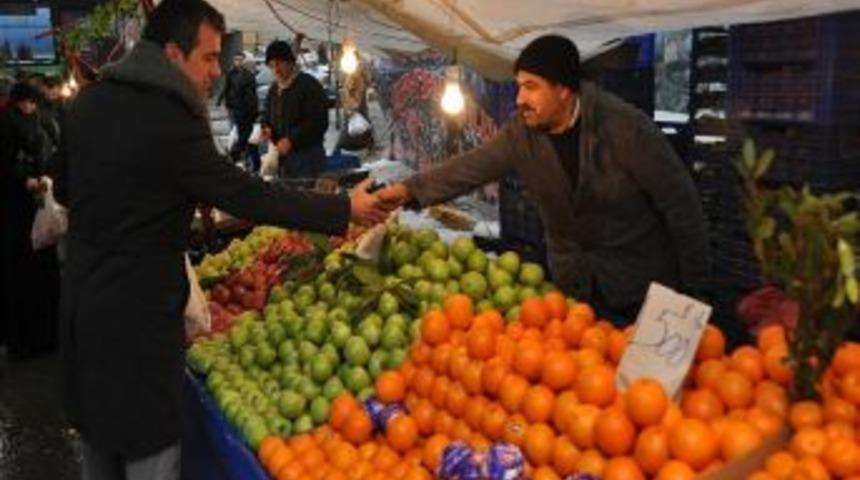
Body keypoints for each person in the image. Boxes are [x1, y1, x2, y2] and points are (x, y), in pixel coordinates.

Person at [54, 0, 388, 478]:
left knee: (98, 454)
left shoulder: (87, 102)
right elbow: (247, 195)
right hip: (141, 328)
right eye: (209, 58)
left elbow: (65, 188)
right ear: (172, 53)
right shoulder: (171, 118)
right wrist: (343, 208)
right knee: (150, 457)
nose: (217, 71)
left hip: (84, 312)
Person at [377, 35, 710, 324]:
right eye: (519, 86)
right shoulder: (523, 135)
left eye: (531, 87)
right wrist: (410, 190)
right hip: (576, 288)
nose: (520, 98)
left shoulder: (624, 128)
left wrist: (695, 295)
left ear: (563, 90)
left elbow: (682, 207)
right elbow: (472, 166)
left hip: (637, 287)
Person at [0, 82, 60, 361]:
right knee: (25, 274)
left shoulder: (39, 119)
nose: (30, 107)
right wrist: (25, 181)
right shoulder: (8, 124)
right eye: (27, 102)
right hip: (19, 213)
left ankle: (41, 336)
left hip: (33, 212)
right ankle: (27, 339)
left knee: (35, 272)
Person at [260, 40, 329, 179]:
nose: (276, 70)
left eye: (279, 64)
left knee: (309, 197)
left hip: (308, 158)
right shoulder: (274, 89)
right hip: (284, 160)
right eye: (271, 66)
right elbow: (266, 115)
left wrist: (292, 140)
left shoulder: (309, 85)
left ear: (290, 62)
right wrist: (266, 128)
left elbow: (319, 122)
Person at [218, 52, 259, 171]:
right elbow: (229, 89)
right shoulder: (241, 75)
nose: (238, 62)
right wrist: (223, 101)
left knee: (243, 135)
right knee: (243, 136)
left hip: (240, 110)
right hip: (239, 110)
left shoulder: (244, 75)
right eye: (236, 60)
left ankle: (241, 158)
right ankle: (235, 156)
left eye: (240, 60)